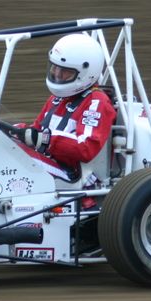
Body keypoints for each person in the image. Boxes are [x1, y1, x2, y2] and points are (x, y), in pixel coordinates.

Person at [15, 33, 117, 188]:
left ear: (84, 73)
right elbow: (36, 130)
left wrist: (46, 139)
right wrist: (17, 132)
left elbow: (86, 148)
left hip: (74, 175)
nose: (57, 74)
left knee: (13, 159)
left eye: (64, 71)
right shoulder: (57, 98)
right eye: (55, 68)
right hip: (49, 163)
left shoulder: (97, 102)